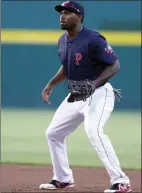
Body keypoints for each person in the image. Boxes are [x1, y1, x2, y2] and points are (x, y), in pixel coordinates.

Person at [39, 1, 131, 192]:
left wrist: (94, 84)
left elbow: (114, 65)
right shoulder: (63, 41)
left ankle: (121, 181)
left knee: (94, 132)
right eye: (61, 13)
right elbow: (67, 66)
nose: (62, 16)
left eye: (67, 13)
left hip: (100, 93)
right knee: (53, 133)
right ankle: (63, 178)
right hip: (76, 95)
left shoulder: (93, 39)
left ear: (79, 16)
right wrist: (51, 84)